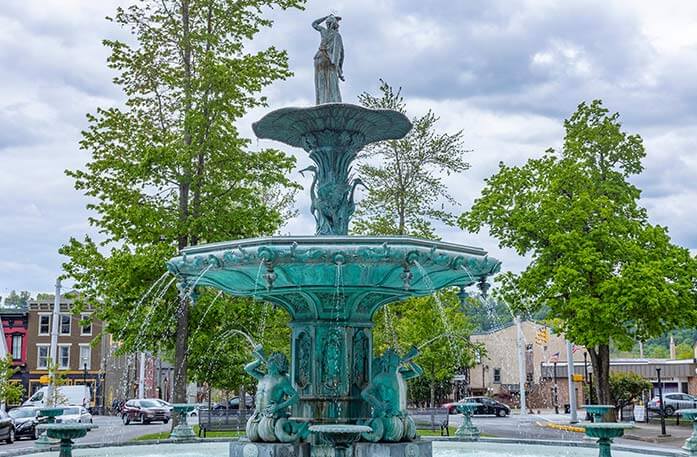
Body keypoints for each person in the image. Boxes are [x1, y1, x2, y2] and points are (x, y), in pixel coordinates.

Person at [312, 14, 344, 104]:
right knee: (332, 84)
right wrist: (339, 70)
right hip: (329, 60)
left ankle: (321, 102)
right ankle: (333, 103)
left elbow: (314, 24)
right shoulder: (336, 36)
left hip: (318, 58)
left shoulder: (323, 31)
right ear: (335, 25)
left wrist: (325, 17)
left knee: (320, 83)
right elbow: (339, 53)